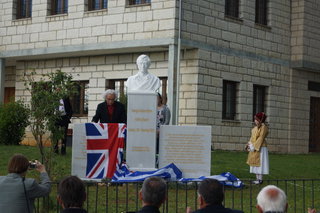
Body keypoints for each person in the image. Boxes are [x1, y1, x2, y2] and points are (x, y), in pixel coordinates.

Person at [246, 112, 269, 184]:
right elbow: (252, 138)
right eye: (255, 119)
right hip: (254, 147)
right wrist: (249, 144)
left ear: (260, 120)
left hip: (261, 147)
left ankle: (260, 179)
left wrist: (254, 146)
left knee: (260, 164)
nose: (255, 121)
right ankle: (257, 179)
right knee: (255, 163)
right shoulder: (254, 129)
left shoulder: (264, 127)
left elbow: (261, 138)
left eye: (256, 119)